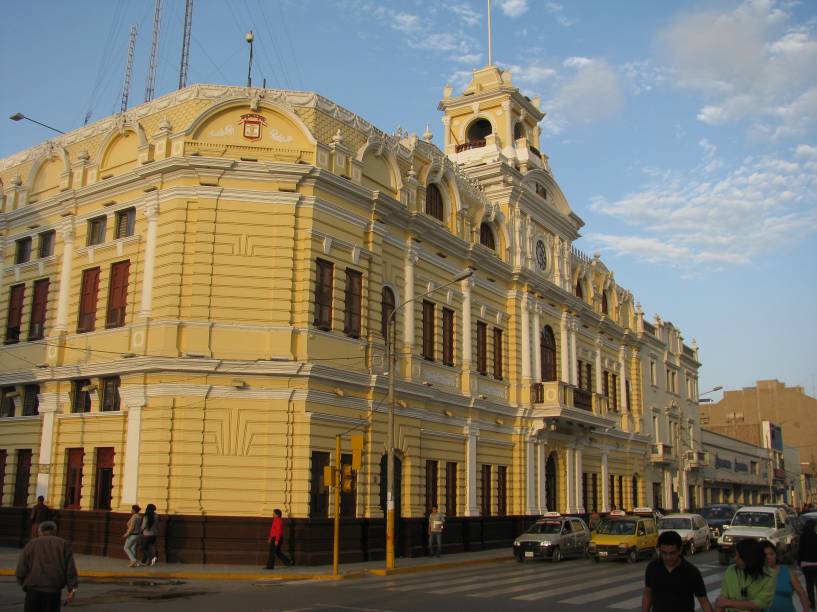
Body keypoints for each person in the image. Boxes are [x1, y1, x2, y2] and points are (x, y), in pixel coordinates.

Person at [642, 530, 714, 612]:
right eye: (664, 553)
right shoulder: (652, 568)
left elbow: (704, 602)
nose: (668, 557)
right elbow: (647, 595)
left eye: (672, 553)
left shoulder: (691, 572)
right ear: (659, 549)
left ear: (680, 550)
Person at [15, 521, 78, 612]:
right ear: (55, 532)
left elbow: (21, 569)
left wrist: (23, 583)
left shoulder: (31, 544)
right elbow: (70, 570)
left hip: (33, 590)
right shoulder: (63, 544)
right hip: (53, 592)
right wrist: (72, 590)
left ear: (39, 532)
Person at [715, 539, 775, 612]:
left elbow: (760, 604)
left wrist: (728, 603)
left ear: (749, 558)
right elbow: (721, 601)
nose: (735, 558)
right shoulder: (731, 570)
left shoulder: (769, 575)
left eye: (739, 556)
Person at [760, 539, 810, 611]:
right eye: (765, 555)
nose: (768, 557)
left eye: (771, 554)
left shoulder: (787, 571)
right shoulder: (757, 573)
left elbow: (801, 593)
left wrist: (806, 610)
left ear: (776, 555)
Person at [800, 519, 817, 610]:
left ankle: (812, 604)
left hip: (806, 565)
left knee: (809, 586)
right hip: (816, 565)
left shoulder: (803, 536)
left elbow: (800, 552)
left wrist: (800, 563)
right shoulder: (815, 536)